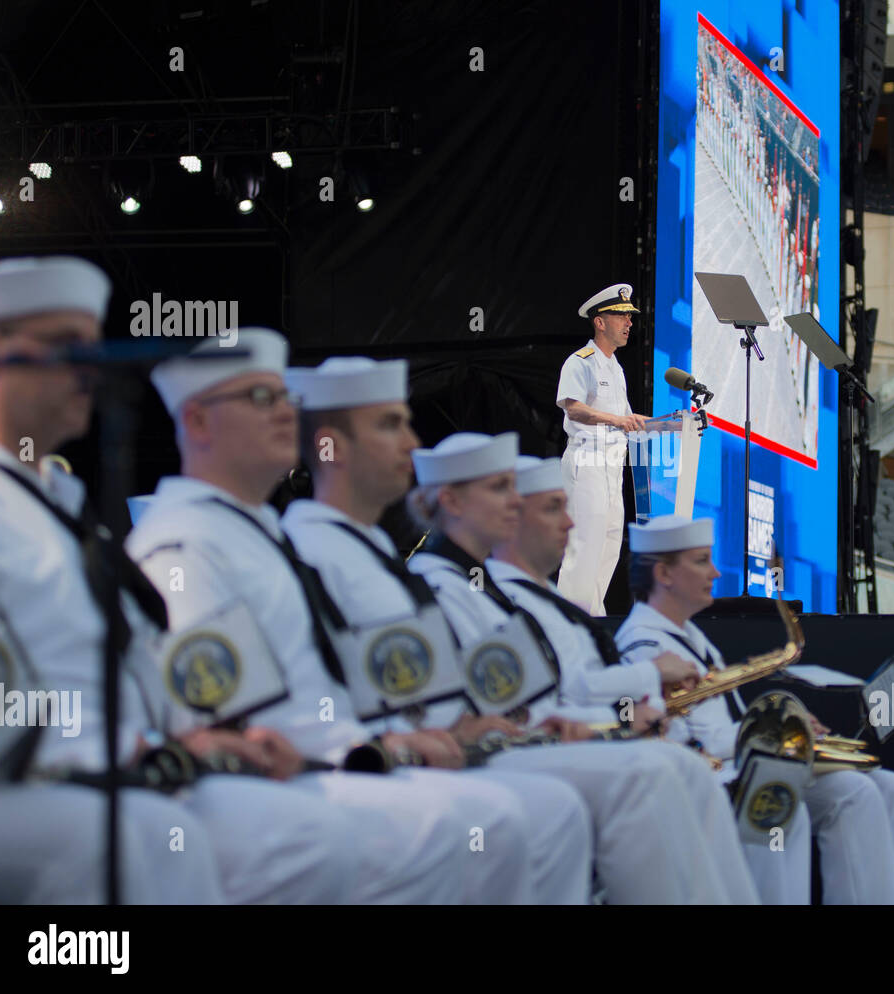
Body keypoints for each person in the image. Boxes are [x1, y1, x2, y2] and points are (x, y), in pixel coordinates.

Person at [129, 327, 580, 904]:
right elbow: (234, 723)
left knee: (525, 813)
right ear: (196, 423)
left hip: (344, 758)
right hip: (281, 780)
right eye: (259, 398)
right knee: (484, 820)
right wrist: (392, 745)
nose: (284, 415)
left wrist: (437, 731)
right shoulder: (189, 540)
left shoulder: (262, 535)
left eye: (282, 399)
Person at [0, 257, 361, 904]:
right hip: (23, 781)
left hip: (118, 767)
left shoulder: (65, 507)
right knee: (152, 836)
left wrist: (183, 736)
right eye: (68, 345)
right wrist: (137, 746)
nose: (89, 369)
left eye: (93, 347)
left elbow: (140, 663)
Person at [402, 428, 760, 903]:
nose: (513, 501)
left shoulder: (481, 591)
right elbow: (494, 708)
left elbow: (535, 695)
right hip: (482, 758)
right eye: (499, 488)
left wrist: (589, 722)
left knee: (679, 769)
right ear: (451, 501)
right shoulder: (437, 586)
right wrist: (601, 717)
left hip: (534, 741)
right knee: (650, 772)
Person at [615, 514, 894, 905]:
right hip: (705, 778)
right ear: (665, 574)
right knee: (841, 796)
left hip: (737, 763)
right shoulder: (640, 643)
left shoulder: (688, 634)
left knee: (893, 788)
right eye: (702, 561)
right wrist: (773, 734)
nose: (716, 572)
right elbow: (650, 729)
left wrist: (789, 730)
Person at [554, 283, 648, 617]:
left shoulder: (615, 368)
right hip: (587, 462)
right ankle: (569, 625)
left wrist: (657, 423)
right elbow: (574, 409)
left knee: (608, 546)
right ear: (600, 321)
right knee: (585, 546)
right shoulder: (581, 362)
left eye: (629, 317)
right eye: (621, 315)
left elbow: (622, 416)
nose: (628, 323)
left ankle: (593, 621)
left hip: (612, 466)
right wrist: (617, 420)